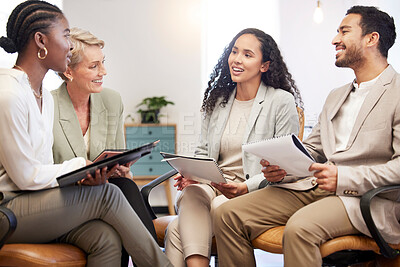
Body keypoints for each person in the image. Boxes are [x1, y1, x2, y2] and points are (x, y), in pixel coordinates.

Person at [214, 6, 399, 267]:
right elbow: (312, 150)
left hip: (366, 200)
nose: (335, 40)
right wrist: (284, 166)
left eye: (344, 31)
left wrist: (342, 177)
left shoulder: (398, 92)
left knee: (299, 228)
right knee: (226, 214)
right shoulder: (337, 95)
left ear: (372, 39)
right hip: (315, 188)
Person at [0, 1, 172, 267]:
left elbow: (43, 168)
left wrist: (82, 178)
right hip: (8, 209)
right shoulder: (9, 94)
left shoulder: (41, 94)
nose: (69, 44)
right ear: (40, 41)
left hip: (36, 203)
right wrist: (81, 167)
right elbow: (24, 176)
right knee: (108, 195)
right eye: (66, 35)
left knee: (105, 239)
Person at [165, 28, 303, 267]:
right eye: (234, 51)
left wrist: (243, 187)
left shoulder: (280, 101)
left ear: (265, 65)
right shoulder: (218, 101)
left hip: (254, 190)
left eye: (248, 54)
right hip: (215, 183)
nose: (237, 59)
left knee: (177, 229)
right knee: (190, 193)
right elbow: (202, 152)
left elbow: (285, 165)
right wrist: (194, 175)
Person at [51, 27, 157, 267]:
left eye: (103, 63)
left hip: (108, 193)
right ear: (68, 70)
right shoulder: (47, 106)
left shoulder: (111, 100)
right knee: (122, 193)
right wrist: (82, 178)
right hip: (63, 201)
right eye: (94, 66)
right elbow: (43, 170)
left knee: (123, 185)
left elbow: (117, 153)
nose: (104, 72)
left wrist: (120, 169)